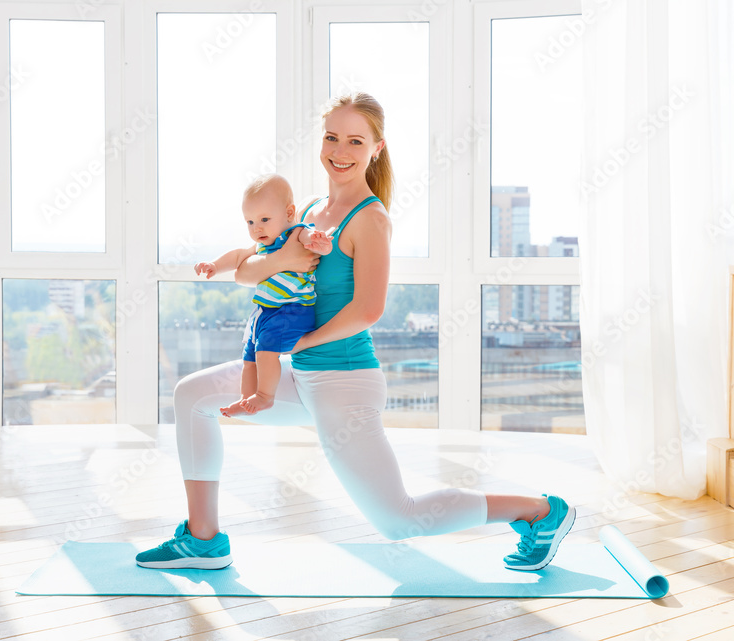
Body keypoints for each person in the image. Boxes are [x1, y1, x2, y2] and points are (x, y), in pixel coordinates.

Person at [136, 92, 575, 573]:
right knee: (191, 395)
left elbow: (368, 310)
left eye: (354, 140)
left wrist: (296, 342)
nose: (339, 150)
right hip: (303, 376)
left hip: (344, 382)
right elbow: (246, 272)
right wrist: (279, 262)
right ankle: (203, 540)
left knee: (399, 520)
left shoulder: (370, 218)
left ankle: (539, 511)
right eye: (331, 137)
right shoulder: (305, 207)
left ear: (376, 148)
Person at [193, 174, 332, 417]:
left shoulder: (295, 233)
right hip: (265, 312)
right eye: (250, 222)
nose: (257, 228)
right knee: (250, 356)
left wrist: (318, 241)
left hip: (292, 310)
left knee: (265, 352)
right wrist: (214, 265)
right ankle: (246, 399)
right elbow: (237, 257)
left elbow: (311, 239)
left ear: (289, 213)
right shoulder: (261, 246)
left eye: (264, 219)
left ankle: (266, 396)